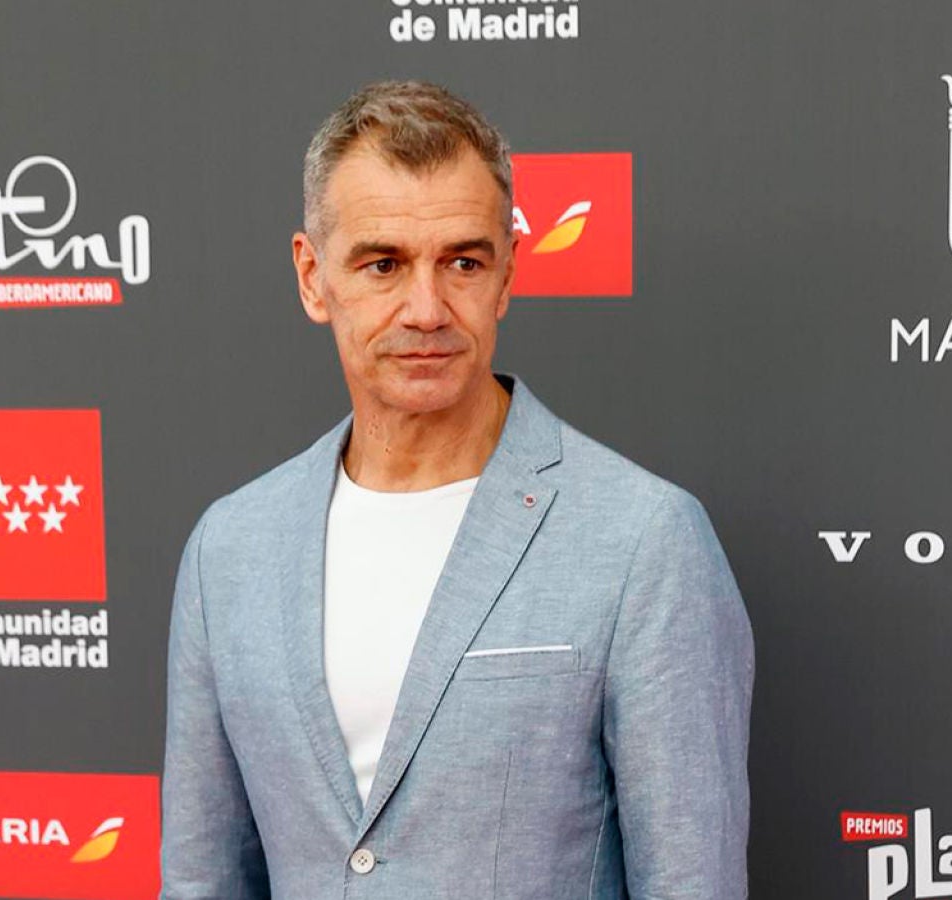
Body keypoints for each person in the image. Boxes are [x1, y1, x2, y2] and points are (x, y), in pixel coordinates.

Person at [161, 80, 754, 899]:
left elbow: (693, 880)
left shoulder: (644, 540)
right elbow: (202, 879)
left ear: (506, 275)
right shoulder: (228, 550)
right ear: (312, 276)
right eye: (383, 264)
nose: (427, 309)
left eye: (463, 263)